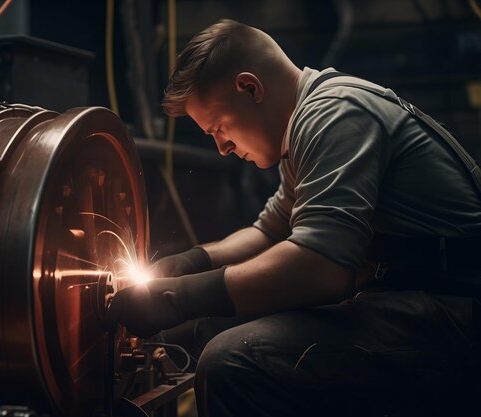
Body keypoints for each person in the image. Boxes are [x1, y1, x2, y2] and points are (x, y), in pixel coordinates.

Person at [106, 19, 481, 417]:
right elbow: (271, 230)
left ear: (250, 88)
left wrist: (177, 297)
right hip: (415, 301)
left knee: (233, 362)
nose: (221, 148)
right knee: (203, 328)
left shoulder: (333, 114)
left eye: (219, 128)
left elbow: (320, 267)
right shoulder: (305, 124)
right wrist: (192, 261)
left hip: (455, 313)